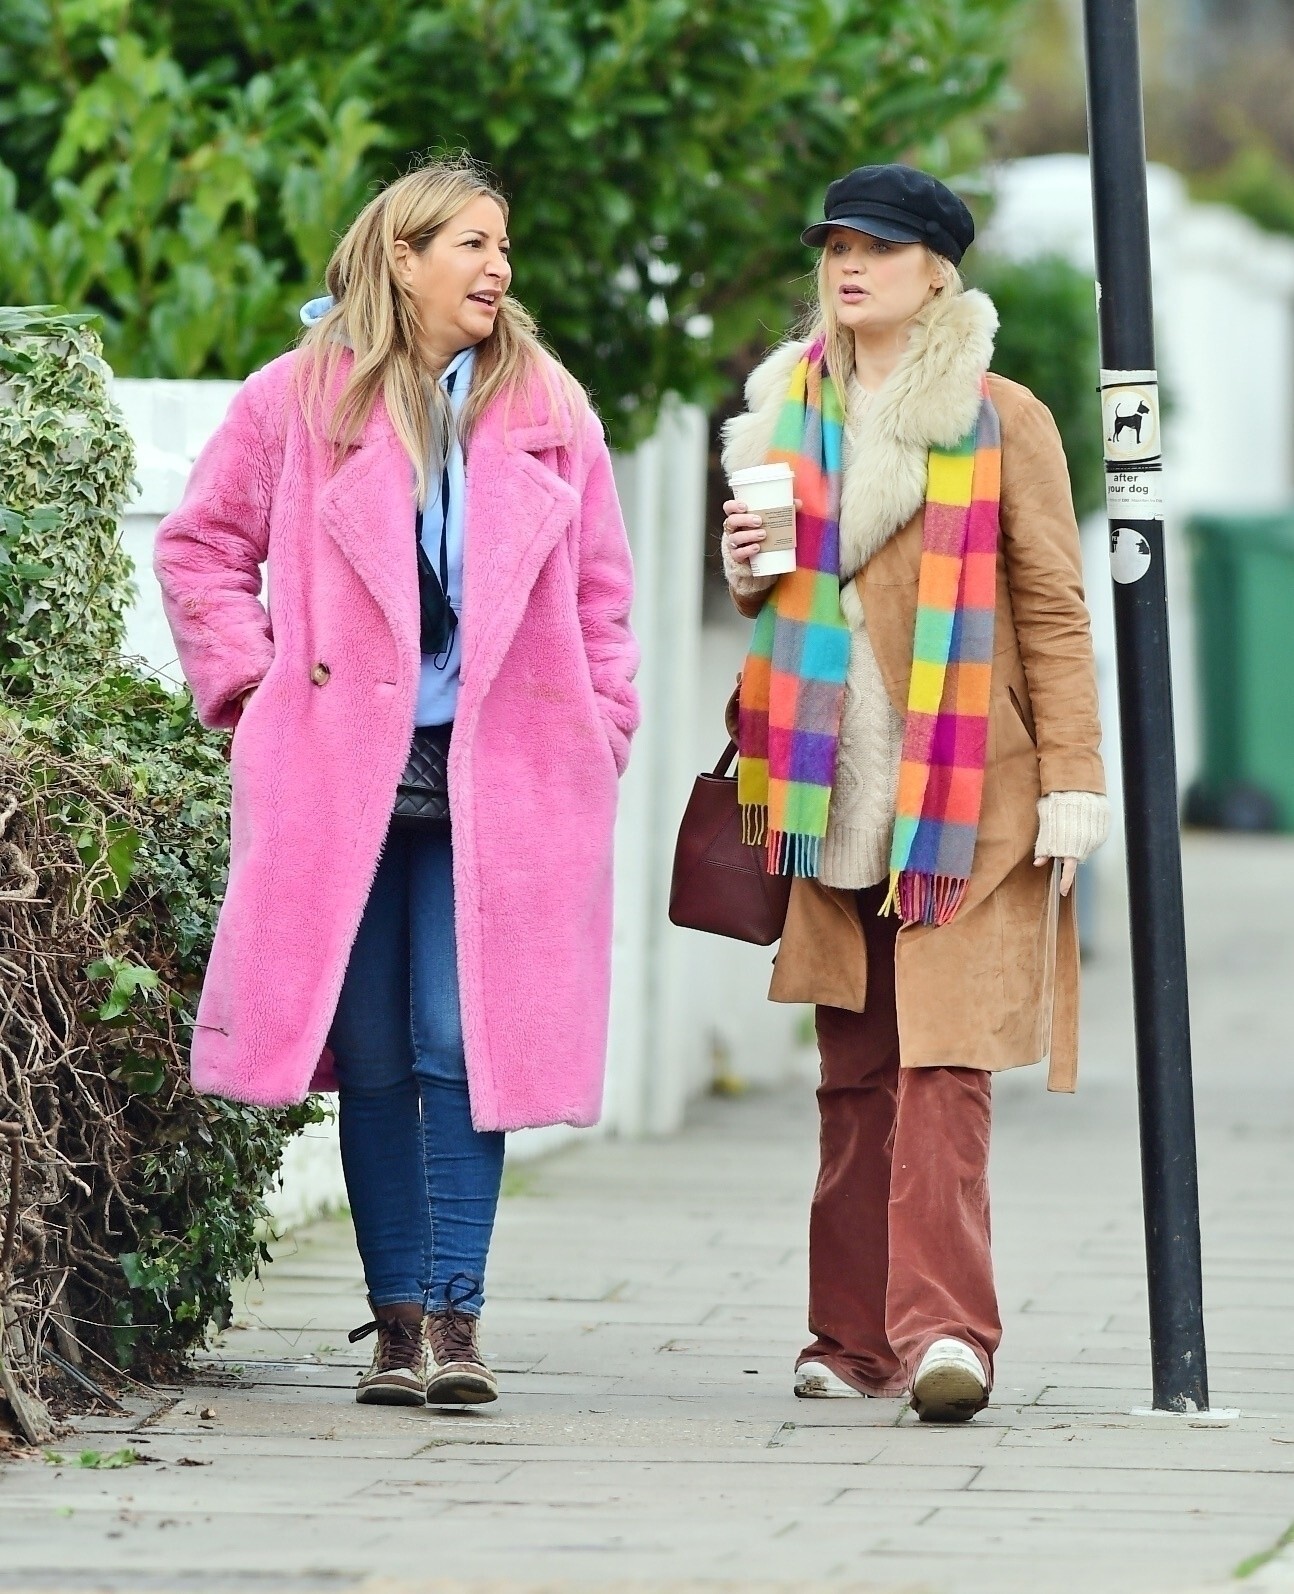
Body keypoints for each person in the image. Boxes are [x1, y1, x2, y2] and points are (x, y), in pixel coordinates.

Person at [154, 158, 639, 1409]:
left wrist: (603, 725)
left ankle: (458, 1322)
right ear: (402, 257)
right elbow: (200, 549)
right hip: (338, 767)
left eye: (503, 247)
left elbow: (602, 595)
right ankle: (397, 1325)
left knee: (459, 1037)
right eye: (472, 243)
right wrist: (252, 689)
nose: (497, 268)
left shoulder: (550, 409)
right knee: (371, 1045)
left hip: (508, 766)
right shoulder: (293, 398)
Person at [720, 164, 1108, 1422]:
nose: (850, 265)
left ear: (937, 270)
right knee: (855, 1071)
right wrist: (745, 564)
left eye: (879, 247)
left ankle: (946, 1332)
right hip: (827, 782)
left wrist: (1073, 776)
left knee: (944, 1065)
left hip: (965, 797)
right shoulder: (783, 410)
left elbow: (1052, 608)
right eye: (836, 244)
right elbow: (777, 595)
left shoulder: (1000, 418)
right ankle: (848, 1339)